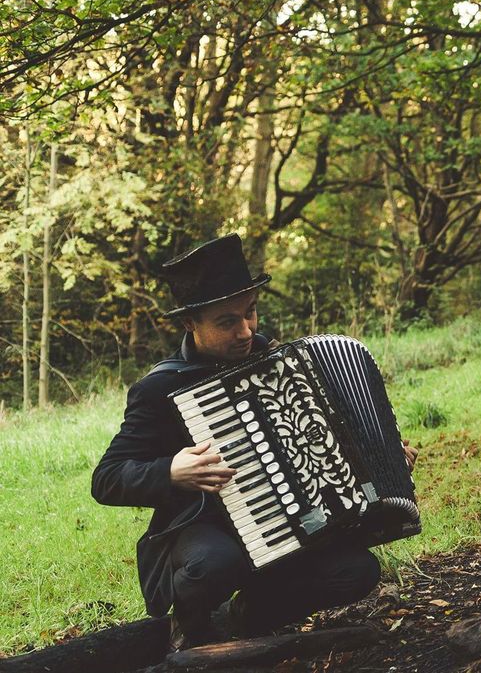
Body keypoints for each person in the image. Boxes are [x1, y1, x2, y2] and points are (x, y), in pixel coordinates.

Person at [92, 234, 414, 650]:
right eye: (227, 322)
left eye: (251, 313)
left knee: (358, 571)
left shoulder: (281, 363)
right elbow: (107, 478)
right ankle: (190, 627)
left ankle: (250, 618)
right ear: (191, 324)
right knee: (213, 564)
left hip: (288, 522)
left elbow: (327, 442)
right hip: (204, 528)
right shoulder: (160, 389)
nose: (246, 331)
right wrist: (171, 471)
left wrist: (381, 459)